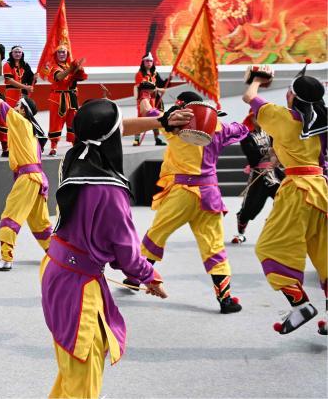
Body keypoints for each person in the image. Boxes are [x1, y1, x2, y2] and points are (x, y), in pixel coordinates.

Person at [42, 98, 176, 399]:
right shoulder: (111, 191)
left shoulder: (74, 156)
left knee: (71, 369)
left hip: (57, 269)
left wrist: (162, 122)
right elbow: (128, 256)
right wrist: (151, 277)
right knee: (83, 377)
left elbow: (111, 129)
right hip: (79, 286)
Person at [136, 91, 250, 314]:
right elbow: (243, 128)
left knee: (156, 235)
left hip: (181, 194)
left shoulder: (174, 126)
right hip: (210, 194)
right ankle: (225, 299)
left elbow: (147, 110)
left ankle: (135, 277)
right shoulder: (219, 127)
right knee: (214, 247)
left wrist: (145, 93)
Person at [243, 64, 327, 335]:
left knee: (269, 247)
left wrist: (256, 79)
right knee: (325, 256)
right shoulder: (322, 123)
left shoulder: (283, 117)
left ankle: (300, 304)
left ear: (291, 96)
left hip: (298, 192)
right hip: (322, 191)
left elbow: (249, 98)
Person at [0, 96, 50, 271]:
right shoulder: (30, 129)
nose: (15, 107)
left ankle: (6, 258)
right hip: (38, 178)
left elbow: (0, 104)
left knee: (10, 216)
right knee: (40, 222)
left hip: (28, 179)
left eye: (18, 105)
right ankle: (56, 254)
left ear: (23, 111)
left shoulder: (20, 122)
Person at [230, 112, 281, 244]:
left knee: (289, 200)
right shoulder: (246, 136)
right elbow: (252, 156)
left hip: (275, 173)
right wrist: (269, 152)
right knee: (249, 208)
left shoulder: (271, 131)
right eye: (257, 116)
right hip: (259, 174)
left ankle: (283, 232)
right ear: (251, 118)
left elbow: (280, 147)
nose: (261, 119)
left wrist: (276, 156)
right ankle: (240, 233)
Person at [47, 44, 88, 156]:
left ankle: (75, 145)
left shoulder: (69, 65)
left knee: (73, 123)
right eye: (59, 52)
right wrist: (71, 69)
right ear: (56, 54)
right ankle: (53, 147)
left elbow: (82, 78)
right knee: (56, 123)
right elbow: (59, 77)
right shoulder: (53, 67)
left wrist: (79, 71)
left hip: (72, 97)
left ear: (67, 54)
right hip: (58, 99)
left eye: (63, 52)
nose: (61, 54)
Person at [133, 53, 166, 146]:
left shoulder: (154, 74)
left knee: (154, 118)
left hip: (153, 99)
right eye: (147, 60)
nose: (149, 62)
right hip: (143, 99)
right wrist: (159, 89)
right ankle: (136, 139)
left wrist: (169, 78)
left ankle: (157, 139)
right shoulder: (139, 74)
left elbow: (161, 84)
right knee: (141, 119)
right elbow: (145, 86)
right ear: (143, 62)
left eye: (151, 61)